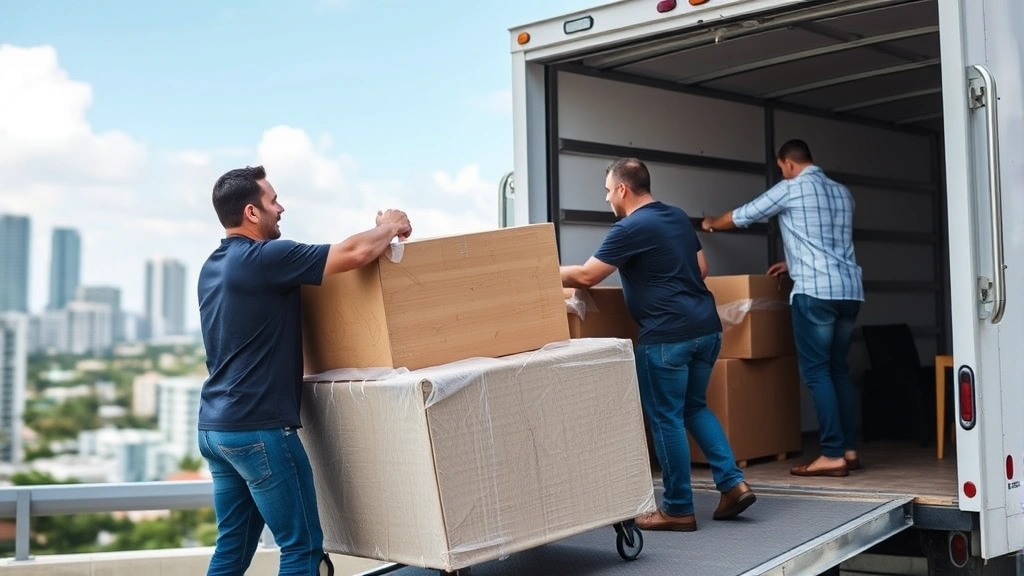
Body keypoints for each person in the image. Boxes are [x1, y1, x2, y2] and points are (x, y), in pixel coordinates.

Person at [197, 165, 412, 576]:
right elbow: (355, 254)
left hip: (215, 429)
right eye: (272, 200)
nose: (281, 208)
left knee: (233, 548)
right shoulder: (265, 258)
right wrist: (389, 225)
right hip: (259, 430)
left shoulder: (212, 267)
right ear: (251, 213)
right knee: (302, 549)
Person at [560, 157, 755, 533]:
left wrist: (541, 271)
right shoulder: (677, 216)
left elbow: (586, 276)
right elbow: (701, 270)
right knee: (694, 407)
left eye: (606, 192)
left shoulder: (629, 227)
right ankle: (733, 484)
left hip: (667, 336)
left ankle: (679, 508)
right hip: (706, 328)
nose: (606, 200)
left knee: (665, 417)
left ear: (622, 189)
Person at [702, 139, 864, 478]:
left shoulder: (791, 189)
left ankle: (832, 454)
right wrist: (791, 263)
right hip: (849, 292)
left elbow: (745, 214)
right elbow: (828, 242)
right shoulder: (842, 193)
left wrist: (713, 223)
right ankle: (848, 450)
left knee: (818, 373)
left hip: (815, 294)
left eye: (781, 169)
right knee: (838, 370)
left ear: (787, 164)